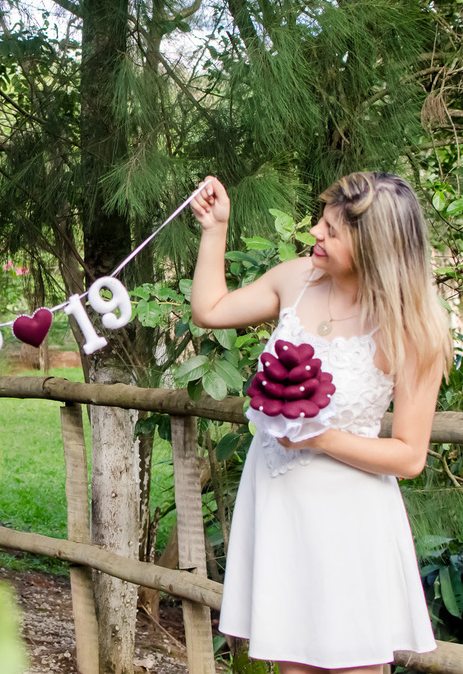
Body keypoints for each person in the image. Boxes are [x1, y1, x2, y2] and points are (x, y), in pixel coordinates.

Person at [190, 172, 449, 674]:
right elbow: (210, 310)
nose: (315, 232)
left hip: (348, 523)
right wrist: (215, 230)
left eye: (331, 230)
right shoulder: (297, 279)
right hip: (280, 510)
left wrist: (322, 438)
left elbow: (410, 456)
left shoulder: (413, 330)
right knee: (292, 665)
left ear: (373, 248)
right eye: (320, 222)